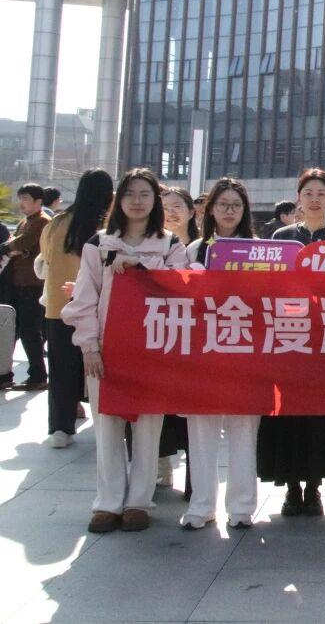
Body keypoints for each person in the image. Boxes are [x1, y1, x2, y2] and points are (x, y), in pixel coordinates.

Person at [61, 168, 189, 532]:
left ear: (155, 201)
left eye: (145, 194)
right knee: (107, 426)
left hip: (153, 350)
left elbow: (182, 287)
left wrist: (142, 267)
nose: (137, 201)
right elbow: (84, 299)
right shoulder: (99, 244)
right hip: (107, 349)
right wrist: (89, 345)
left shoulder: (170, 244)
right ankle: (108, 502)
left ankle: (138, 502)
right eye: (130, 194)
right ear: (118, 200)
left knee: (148, 427)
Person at [259, 168, 325, 516]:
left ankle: (314, 486)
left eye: (321, 194)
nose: (314, 200)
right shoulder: (282, 237)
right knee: (288, 414)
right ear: (298, 198)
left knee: (321, 415)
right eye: (308, 193)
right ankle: (291, 487)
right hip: (289, 336)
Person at [182, 177, 261, 530]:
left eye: (236, 205)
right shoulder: (193, 249)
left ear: (245, 211)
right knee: (202, 430)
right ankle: (201, 506)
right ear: (210, 208)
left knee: (244, 429)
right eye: (223, 204)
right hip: (203, 351)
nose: (230, 210)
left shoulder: (260, 250)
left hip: (247, 349)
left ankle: (241, 506)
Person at [38, 169, 114, 449]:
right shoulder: (109, 226)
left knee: (61, 368)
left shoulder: (57, 223)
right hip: (101, 308)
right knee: (102, 367)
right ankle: (109, 422)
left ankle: (61, 427)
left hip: (60, 306)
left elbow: (45, 258)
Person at [157, 186, 199, 487]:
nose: (171, 213)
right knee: (158, 407)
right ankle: (161, 466)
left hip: (196, 339)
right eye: (165, 207)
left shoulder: (203, 247)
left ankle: (193, 480)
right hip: (161, 335)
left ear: (191, 211)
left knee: (193, 410)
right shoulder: (151, 244)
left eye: (177, 206)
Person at [1, 183, 49, 390]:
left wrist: (7, 247)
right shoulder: (25, 221)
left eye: (26, 199)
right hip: (20, 282)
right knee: (13, 330)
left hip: (32, 284)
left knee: (29, 331)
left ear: (39, 201)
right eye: (20, 198)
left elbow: (23, 242)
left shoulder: (42, 221)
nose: (22, 203)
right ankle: (6, 373)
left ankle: (38, 375)